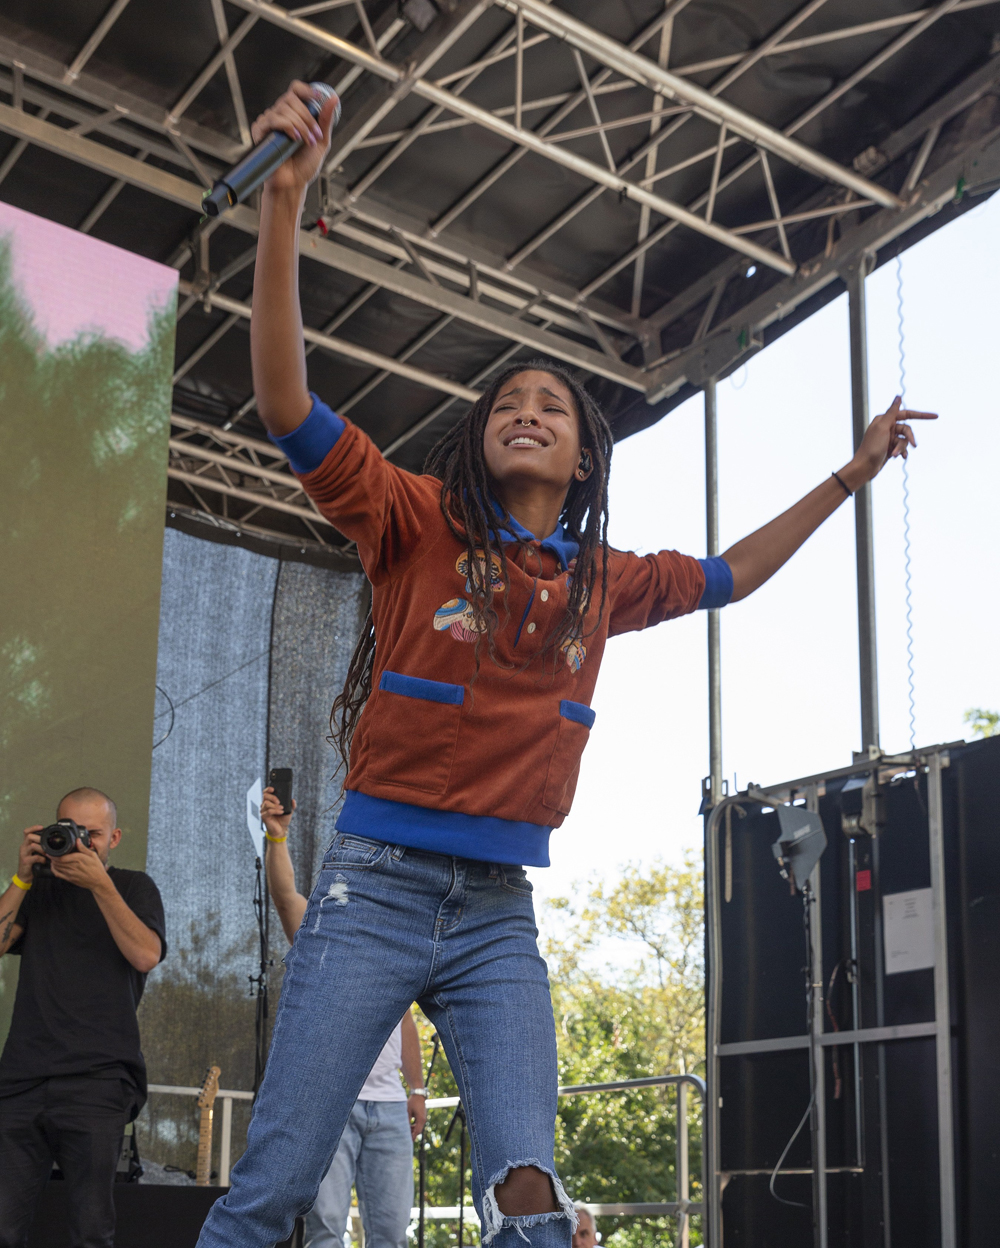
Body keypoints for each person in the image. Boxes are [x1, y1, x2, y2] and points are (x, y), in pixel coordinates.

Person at [196, 80, 936, 1248]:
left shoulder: (603, 581)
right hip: (373, 886)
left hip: (497, 915)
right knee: (276, 1185)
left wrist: (849, 476)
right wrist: (285, 201)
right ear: (481, 441)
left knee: (530, 1198)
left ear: (586, 456)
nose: (526, 409)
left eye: (553, 403)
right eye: (506, 401)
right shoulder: (415, 518)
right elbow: (287, 403)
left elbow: (733, 574)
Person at [260, 786, 427, 1248]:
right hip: (336, 1100)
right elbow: (284, 895)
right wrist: (277, 837)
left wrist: (417, 1089)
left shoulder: (400, 939)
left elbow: (407, 1022)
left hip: (391, 1107)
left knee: (391, 1233)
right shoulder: (327, 936)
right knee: (326, 1229)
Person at [0, 787, 166, 1248]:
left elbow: (146, 955)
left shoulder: (133, 887)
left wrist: (99, 884)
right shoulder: (38, 890)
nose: (80, 842)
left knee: (90, 1230)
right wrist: (21, 878)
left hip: (98, 1080)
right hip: (21, 1080)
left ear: (113, 838)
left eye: (90, 834)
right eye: (68, 830)